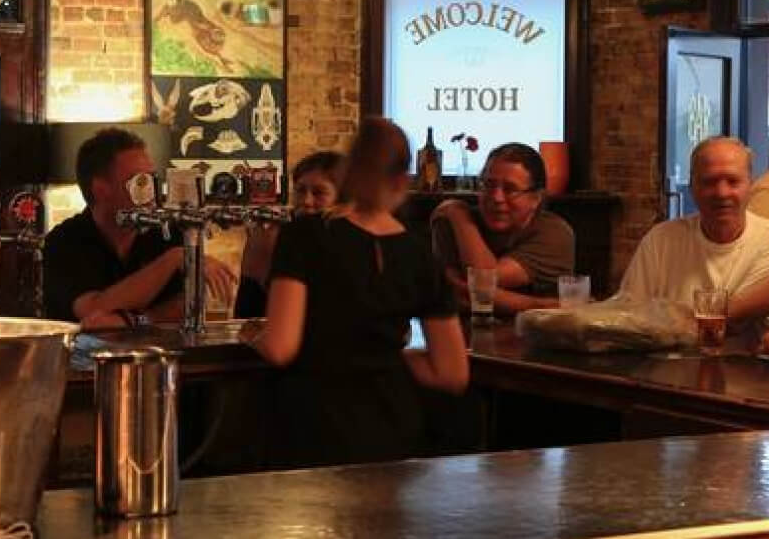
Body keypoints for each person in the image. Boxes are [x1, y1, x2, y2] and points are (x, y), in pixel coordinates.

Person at [239, 117, 469, 469]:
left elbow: (280, 348)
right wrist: (388, 358)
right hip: (392, 424)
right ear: (402, 181)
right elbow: (452, 373)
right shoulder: (419, 253)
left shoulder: (305, 235)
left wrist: (251, 334)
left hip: (314, 423)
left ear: (348, 171)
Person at [43, 127, 235, 329]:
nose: (151, 191)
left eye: (153, 179)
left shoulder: (165, 230)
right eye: (140, 182)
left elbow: (187, 306)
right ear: (101, 189)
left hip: (160, 348)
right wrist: (172, 259)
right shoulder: (63, 242)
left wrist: (134, 320)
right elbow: (93, 311)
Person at [618, 137, 769, 329]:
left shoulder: (765, 240)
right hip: (668, 349)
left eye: (733, 181)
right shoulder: (660, 241)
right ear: (692, 188)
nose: (722, 193)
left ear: (750, 185)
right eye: (709, 182)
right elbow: (628, 317)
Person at [430, 143, 574, 314]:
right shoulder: (452, 222)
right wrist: (540, 305)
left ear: (536, 198)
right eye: (488, 185)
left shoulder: (555, 234)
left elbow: (482, 281)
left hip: (538, 329)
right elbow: (453, 294)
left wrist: (459, 217)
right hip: (463, 327)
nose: (496, 198)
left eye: (510, 189)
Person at [233, 151, 345, 318]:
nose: (306, 201)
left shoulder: (351, 239)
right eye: (300, 191)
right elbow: (249, 310)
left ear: (342, 199)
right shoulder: (274, 233)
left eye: (319, 193)